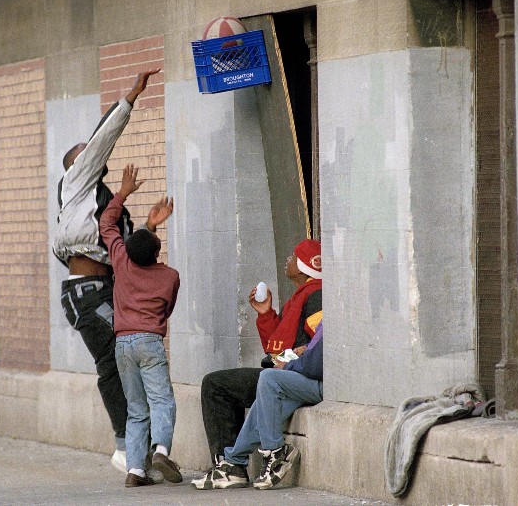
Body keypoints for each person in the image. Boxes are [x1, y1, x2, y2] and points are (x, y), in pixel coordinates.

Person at [52, 69, 161, 474]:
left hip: (104, 288)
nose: (94, 155)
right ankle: (125, 446)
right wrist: (130, 98)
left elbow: (128, 255)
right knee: (114, 361)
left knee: (127, 358)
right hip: (86, 291)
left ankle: (142, 449)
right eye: (85, 153)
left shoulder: (110, 205)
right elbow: (100, 142)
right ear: (74, 167)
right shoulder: (74, 183)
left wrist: (150, 226)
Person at [198, 240, 323, 469]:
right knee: (224, 383)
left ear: (307, 265)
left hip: (295, 376)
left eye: (294, 256)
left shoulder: (316, 296)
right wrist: (266, 314)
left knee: (216, 386)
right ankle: (229, 463)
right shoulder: (297, 298)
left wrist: (288, 362)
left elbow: (318, 348)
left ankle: (229, 466)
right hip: (282, 371)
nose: (288, 259)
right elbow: (274, 351)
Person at [100, 163, 181, 488]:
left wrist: (122, 193)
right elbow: (167, 309)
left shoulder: (121, 261)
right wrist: (151, 227)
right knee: (161, 399)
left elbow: (107, 223)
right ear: (157, 250)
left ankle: (136, 470)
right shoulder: (169, 276)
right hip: (149, 340)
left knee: (136, 408)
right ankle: (161, 450)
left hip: (122, 344)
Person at [192, 323, 324, 490]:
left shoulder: (325, 305)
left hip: (324, 383)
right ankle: (233, 464)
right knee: (267, 394)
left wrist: (291, 364)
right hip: (302, 372)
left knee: (268, 378)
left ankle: (276, 451)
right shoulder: (307, 306)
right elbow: (277, 340)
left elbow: (318, 364)